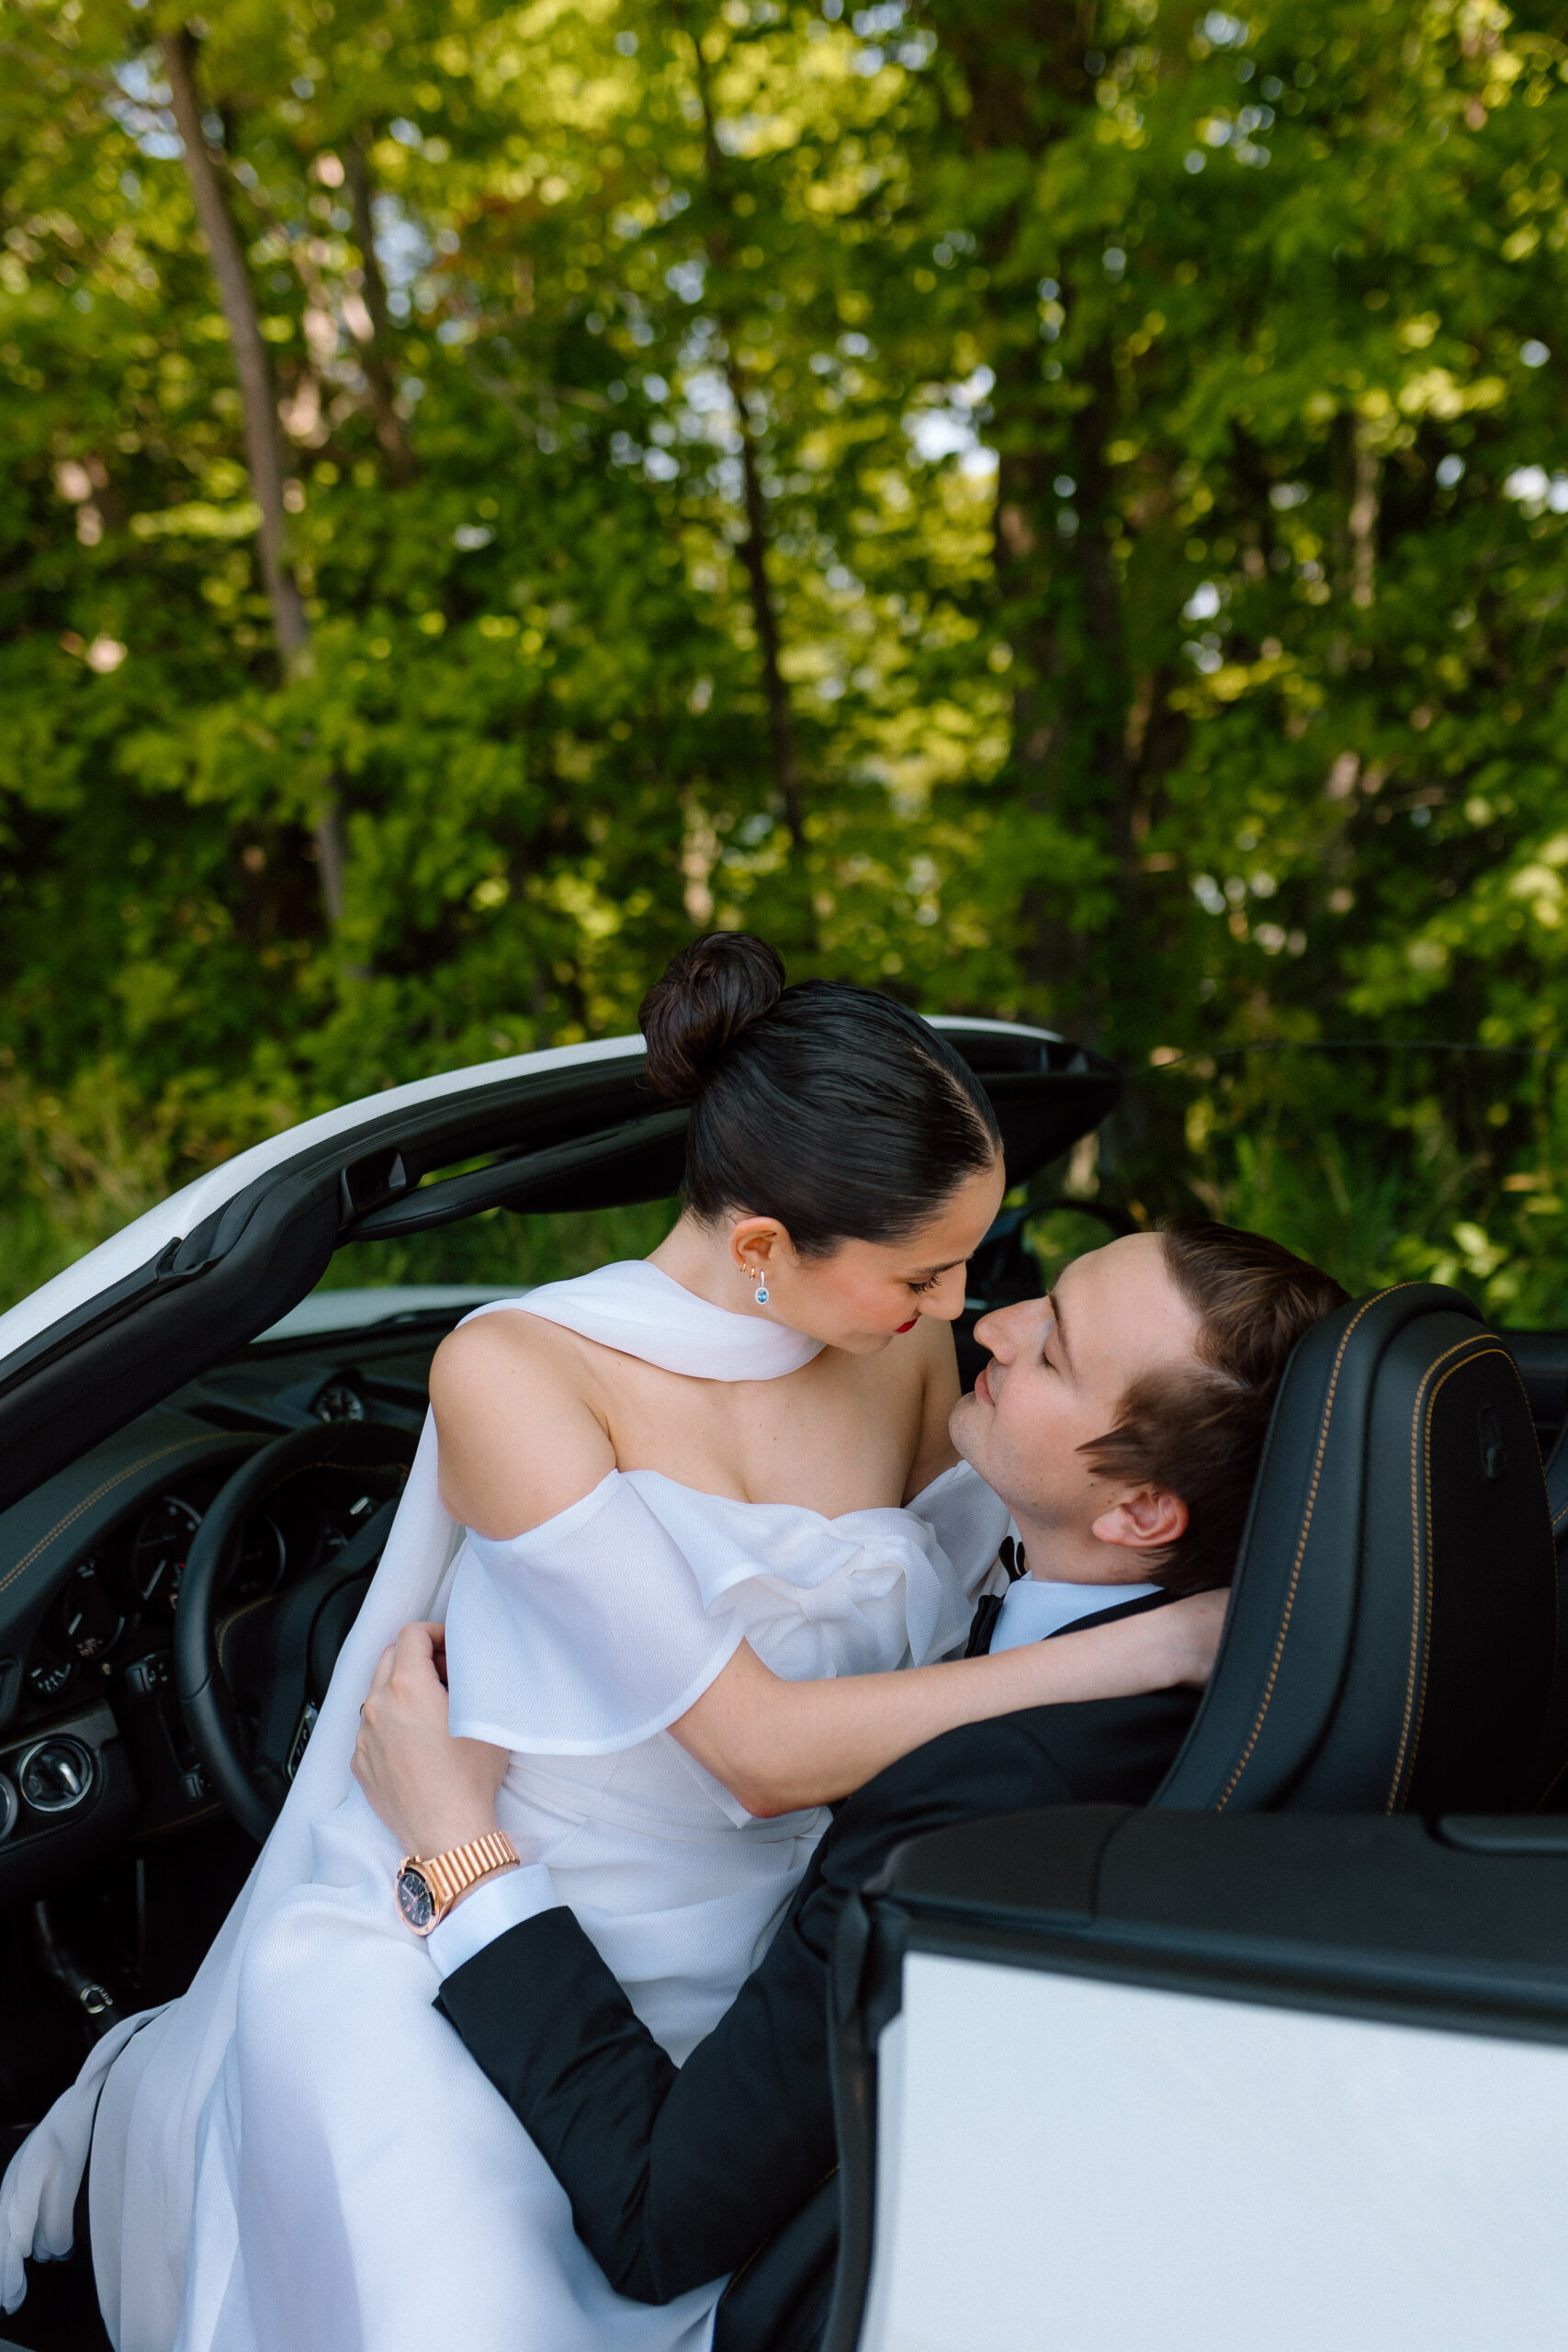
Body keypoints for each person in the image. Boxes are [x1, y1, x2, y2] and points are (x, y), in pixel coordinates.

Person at [1, 935, 1219, 2352]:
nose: (963, 1310)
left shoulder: (894, 1351)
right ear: (764, 1247)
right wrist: (1131, 1652)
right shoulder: (517, 1372)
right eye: (924, 1274)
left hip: (773, 1959)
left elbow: (968, 1588)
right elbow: (757, 1754)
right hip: (472, 1939)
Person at [350, 1216, 1350, 2351]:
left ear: (1138, 1512)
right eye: (1045, 1297)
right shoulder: (1211, 1657)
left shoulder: (987, 1794)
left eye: (1057, 1353)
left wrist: (451, 1844)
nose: (997, 1322)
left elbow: (655, 2217)